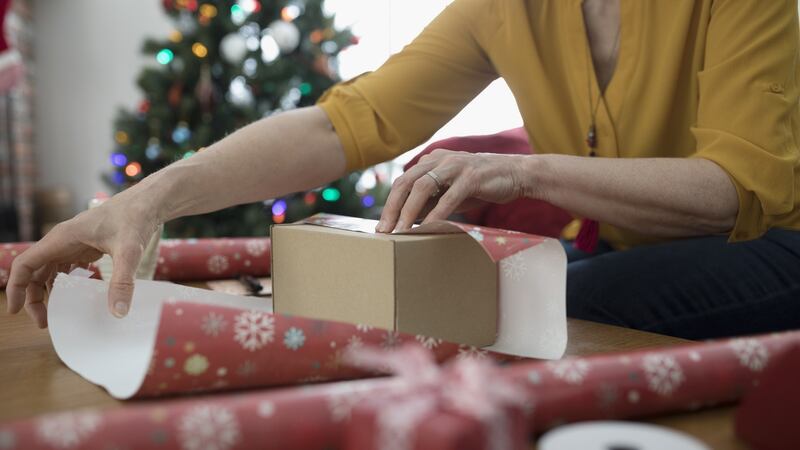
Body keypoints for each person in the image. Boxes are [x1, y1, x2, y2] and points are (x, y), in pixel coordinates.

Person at [6, 0, 800, 339]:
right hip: (638, 252)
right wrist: (152, 196)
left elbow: (739, 189)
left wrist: (525, 176)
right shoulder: (505, 10)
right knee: (508, 299)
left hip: (776, 249)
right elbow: (347, 121)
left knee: (539, 305)